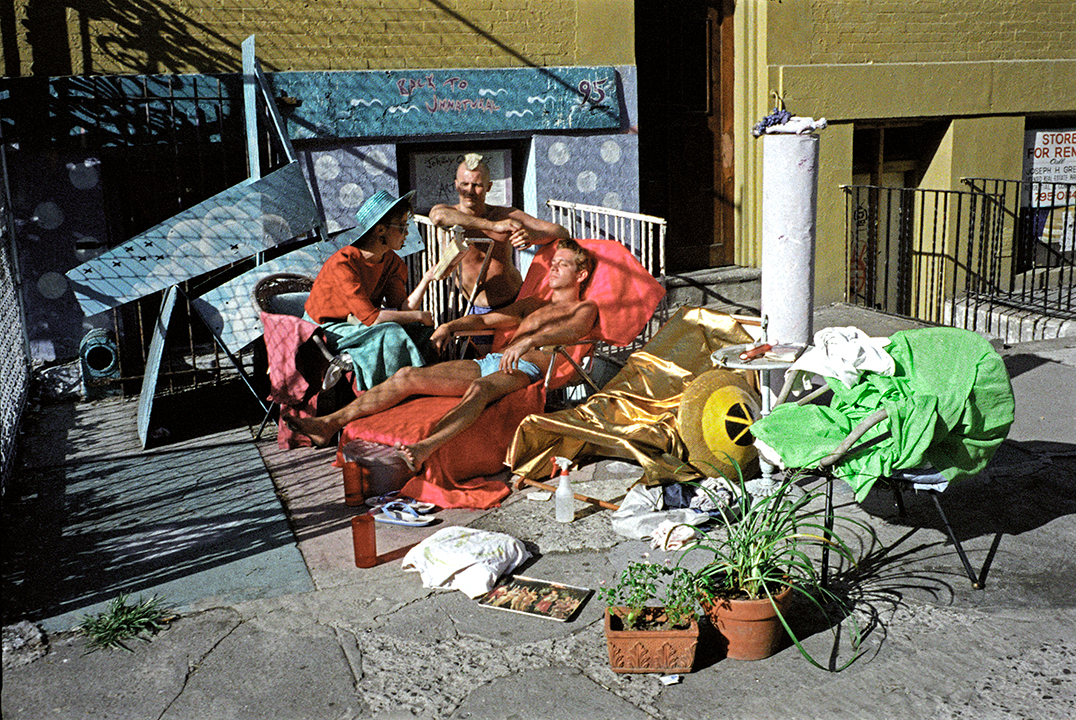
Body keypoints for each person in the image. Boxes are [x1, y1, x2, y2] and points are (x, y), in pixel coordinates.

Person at [285, 239, 597, 473]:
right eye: (553, 261)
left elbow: (572, 332)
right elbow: (488, 320)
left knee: (481, 389)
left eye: (563, 264)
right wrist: (451, 325)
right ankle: (329, 423)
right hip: (494, 362)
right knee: (407, 376)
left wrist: (527, 342)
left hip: (529, 368)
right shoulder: (532, 304)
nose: (553, 267)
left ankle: (422, 449)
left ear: (581, 275)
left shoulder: (584, 308)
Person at [302, 190, 438, 392]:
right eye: (401, 226)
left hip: (358, 323)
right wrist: (418, 315)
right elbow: (372, 319)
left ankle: (431, 386)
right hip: (326, 328)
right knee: (391, 333)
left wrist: (426, 280)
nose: (406, 233)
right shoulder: (344, 263)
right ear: (381, 230)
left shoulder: (391, 261)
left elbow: (401, 309)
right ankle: (391, 394)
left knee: (422, 333)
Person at [428, 153, 570, 313]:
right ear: (456, 185)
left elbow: (561, 232)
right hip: (476, 307)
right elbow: (438, 217)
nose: (470, 190)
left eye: (477, 185)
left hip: (516, 299)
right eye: (464, 184)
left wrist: (533, 237)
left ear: (488, 186)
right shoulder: (449, 213)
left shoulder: (505, 215)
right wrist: (493, 226)